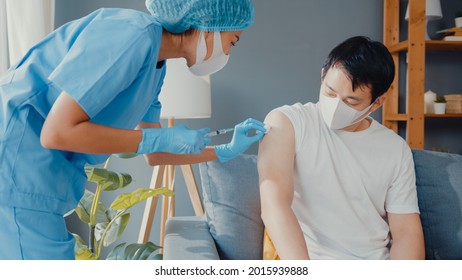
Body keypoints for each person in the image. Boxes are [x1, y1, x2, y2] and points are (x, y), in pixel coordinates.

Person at [0, 0, 266, 260]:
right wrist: (157, 138)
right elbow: (55, 132)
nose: (229, 52)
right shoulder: (133, 35)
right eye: (233, 41)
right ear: (210, 25)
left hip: (36, 184)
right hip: (17, 168)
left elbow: (156, 155)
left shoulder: (156, 65)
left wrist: (224, 151)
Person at [258, 36, 425, 260]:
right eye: (330, 92)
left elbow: (406, 233)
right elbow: (274, 205)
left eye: (351, 101)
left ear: (377, 102)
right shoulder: (286, 122)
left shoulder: (395, 149)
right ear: (322, 75)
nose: (336, 105)